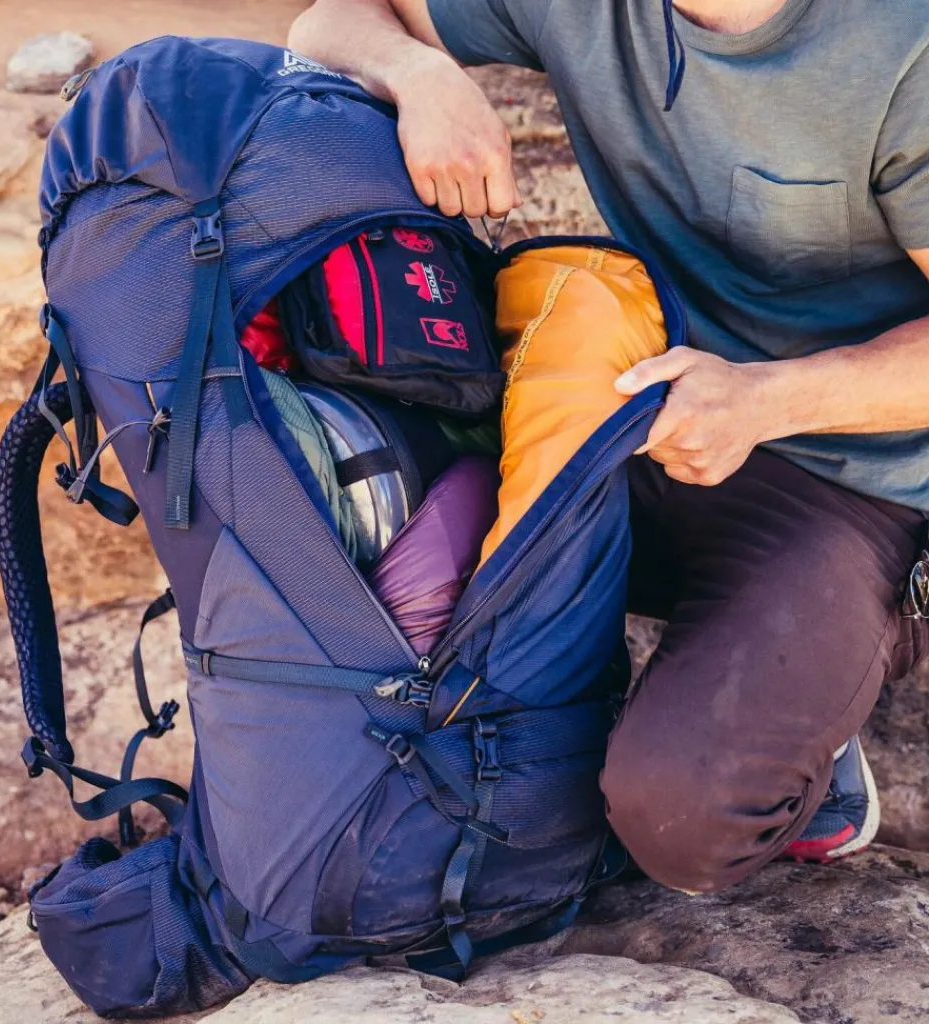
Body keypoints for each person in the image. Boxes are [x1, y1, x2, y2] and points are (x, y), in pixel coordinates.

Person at [288, 0, 929, 893]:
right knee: (349, 497)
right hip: (638, 403)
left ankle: (841, 671)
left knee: (681, 818)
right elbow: (328, 21)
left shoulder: (905, 43)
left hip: (849, 480)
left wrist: (763, 399)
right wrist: (419, 73)